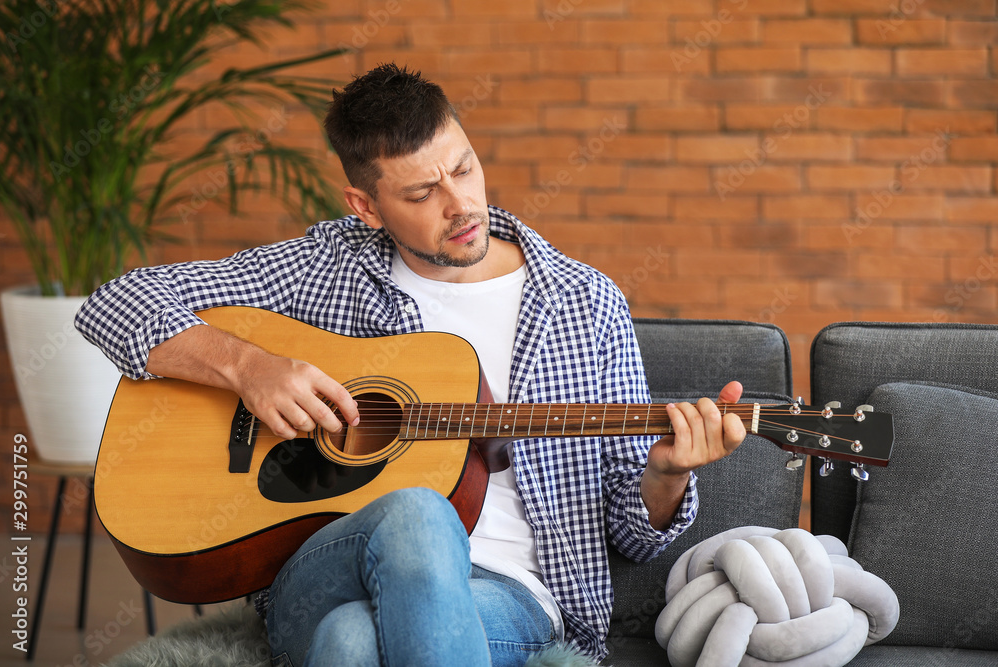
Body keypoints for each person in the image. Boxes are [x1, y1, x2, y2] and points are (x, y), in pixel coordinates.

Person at [76, 63, 746, 666]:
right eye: (422, 193)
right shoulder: (328, 266)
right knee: (420, 513)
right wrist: (249, 367)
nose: (459, 204)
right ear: (365, 207)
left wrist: (664, 474)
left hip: (513, 592)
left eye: (463, 168)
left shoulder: (585, 303)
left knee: (350, 640)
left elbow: (633, 535)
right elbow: (115, 302)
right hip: (326, 569)